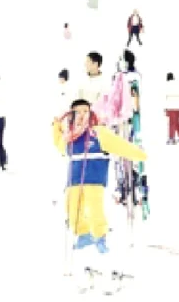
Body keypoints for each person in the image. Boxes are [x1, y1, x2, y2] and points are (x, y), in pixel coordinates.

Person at [55, 98, 146, 260]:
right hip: (74, 179)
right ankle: (83, 234)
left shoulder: (98, 133)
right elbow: (59, 146)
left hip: (94, 178)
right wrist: (55, 126)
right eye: (77, 112)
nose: (81, 115)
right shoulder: (69, 136)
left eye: (85, 111)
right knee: (71, 208)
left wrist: (139, 154)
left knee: (94, 208)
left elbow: (120, 145)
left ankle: (100, 236)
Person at [163, 72, 179, 144]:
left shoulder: (167, 85)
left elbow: (165, 97)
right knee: (177, 122)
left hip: (171, 106)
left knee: (172, 123)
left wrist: (165, 108)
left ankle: (171, 138)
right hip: (178, 106)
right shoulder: (178, 85)